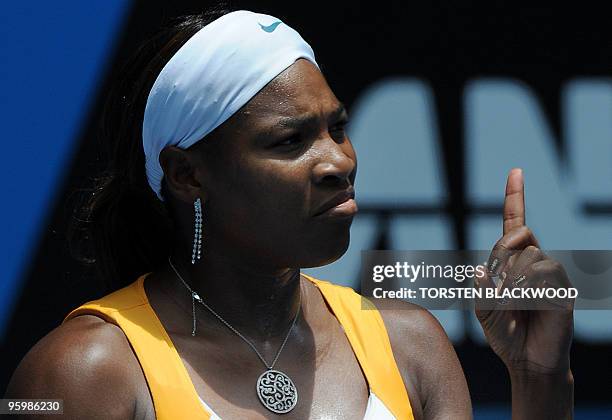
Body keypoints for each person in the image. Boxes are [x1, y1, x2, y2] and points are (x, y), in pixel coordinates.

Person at [5, 8, 574, 419]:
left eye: (338, 129)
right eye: (290, 140)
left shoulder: (411, 343)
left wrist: (539, 379)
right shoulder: (81, 372)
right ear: (187, 174)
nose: (338, 162)